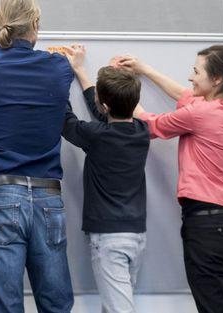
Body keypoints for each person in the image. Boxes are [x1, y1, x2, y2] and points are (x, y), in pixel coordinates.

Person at [117, 44, 223, 313]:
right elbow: (186, 96)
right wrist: (144, 69)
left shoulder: (202, 114)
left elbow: (151, 125)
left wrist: (122, 99)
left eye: (196, 71)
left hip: (209, 229)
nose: (191, 77)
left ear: (217, 79)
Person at [0, 0, 75, 311]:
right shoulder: (60, 68)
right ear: (35, 26)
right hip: (48, 199)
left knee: (4, 305)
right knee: (56, 304)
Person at [61, 44, 149, 313]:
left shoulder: (96, 135)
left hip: (109, 238)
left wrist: (58, 82)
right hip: (135, 234)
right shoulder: (142, 132)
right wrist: (81, 71)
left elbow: (65, 121)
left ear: (104, 103)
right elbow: (105, 113)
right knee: (115, 305)